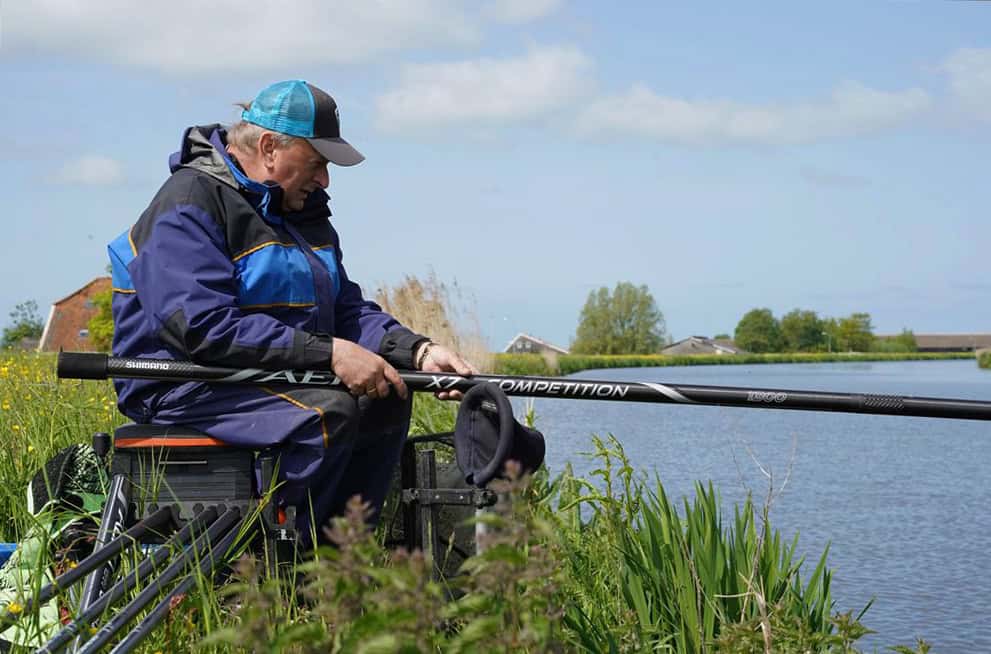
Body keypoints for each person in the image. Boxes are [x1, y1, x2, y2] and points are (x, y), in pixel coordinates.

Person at [107, 79, 474, 545]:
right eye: (318, 163)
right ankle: (282, 564)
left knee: (389, 393)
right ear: (268, 148)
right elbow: (201, 328)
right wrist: (329, 354)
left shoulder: (304, 214)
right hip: (184, 382)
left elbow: (345, 310)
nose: (324, 179)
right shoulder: (187, 202)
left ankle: (344, 558)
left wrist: (418, 351)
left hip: (264, 373)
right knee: (328, 412)